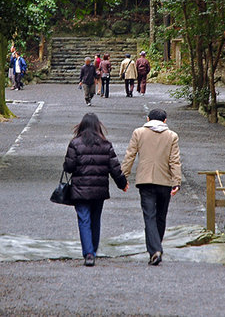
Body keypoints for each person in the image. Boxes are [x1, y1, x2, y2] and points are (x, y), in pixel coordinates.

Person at [64, 113, 128, 266]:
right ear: (98, 126)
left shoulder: (75, 143)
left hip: (80, 189)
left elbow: (69, 167)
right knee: (95, 219)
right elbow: (114, 168)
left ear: (82, 125)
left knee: (83, 219)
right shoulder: (106, 144)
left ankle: (88, 253)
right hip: (99, 190)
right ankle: (94, 248)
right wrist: (122, 183)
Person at [121, 108, 181, 266]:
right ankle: (157, 247)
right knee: (161, 216)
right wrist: (177, 181)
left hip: (145, 180)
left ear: (148, 119)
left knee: (149, 216)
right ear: (165, 121)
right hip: (165, 181)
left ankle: (155, 250)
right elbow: (174, 161)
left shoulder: (139, 133)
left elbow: (130, 155)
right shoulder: (172, 136)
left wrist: (123, 177)